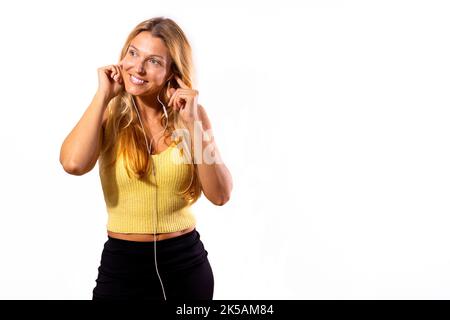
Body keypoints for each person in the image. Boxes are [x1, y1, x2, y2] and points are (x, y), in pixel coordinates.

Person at [59, 17, 233, 301]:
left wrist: (192, 125)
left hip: (186, 265)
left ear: (171, 72)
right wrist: (103, 95)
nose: (137, 68)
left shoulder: (191, 119)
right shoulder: (108, 113)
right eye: (133, 53)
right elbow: (73, 164)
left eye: (153, 61)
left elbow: (221, 194)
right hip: (123, 265)